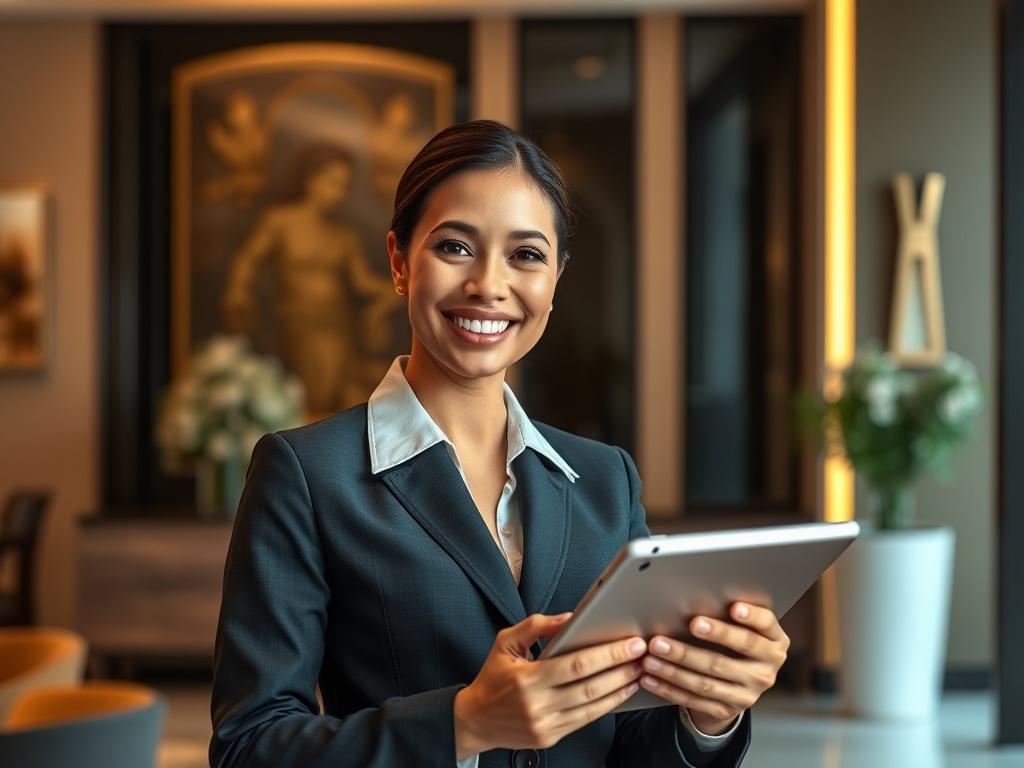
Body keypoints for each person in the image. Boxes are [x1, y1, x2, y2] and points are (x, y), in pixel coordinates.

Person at [210, 119, 789, 767]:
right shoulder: (308, 474)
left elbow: (629, 745)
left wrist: (708, 714)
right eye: (455, 247)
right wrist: (462, 724)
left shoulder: (606, 480)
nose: (490, 284)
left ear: (555, 280)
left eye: (526, 254)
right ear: (400, 262)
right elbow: (249, 745)